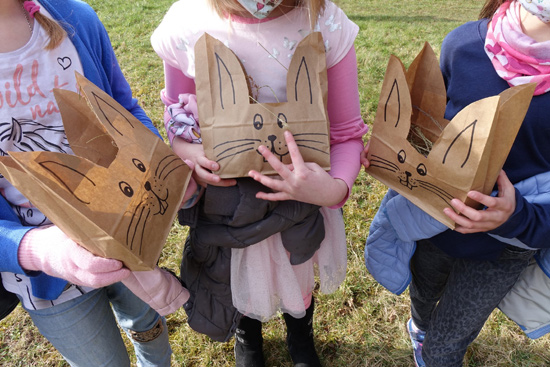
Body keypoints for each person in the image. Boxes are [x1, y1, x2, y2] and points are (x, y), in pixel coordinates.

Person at [151, 0, 368, 365]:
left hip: (301, 200)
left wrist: (332, 190)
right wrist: (186, 150)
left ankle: (300, 334)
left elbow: (346, 132)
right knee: (239, 274)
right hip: (228, 204)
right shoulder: (188, 23)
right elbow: (178, 116)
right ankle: (247, 334)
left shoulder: (325, 22)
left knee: (297, 268)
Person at [0, 0, 193, 366]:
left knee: (149, 328)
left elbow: (124, 109)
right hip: (49, 278)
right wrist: (40, 251)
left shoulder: (75, 18)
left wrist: (164, 170)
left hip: (128, 232)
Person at [362, 0, 550, 366]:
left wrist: (517, 218)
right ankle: (418, 326)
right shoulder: (462, 45)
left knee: (446, 347)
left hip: (505, 247)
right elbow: (429, 127)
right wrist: (392, 153)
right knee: (425, 290)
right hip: (434, 222)